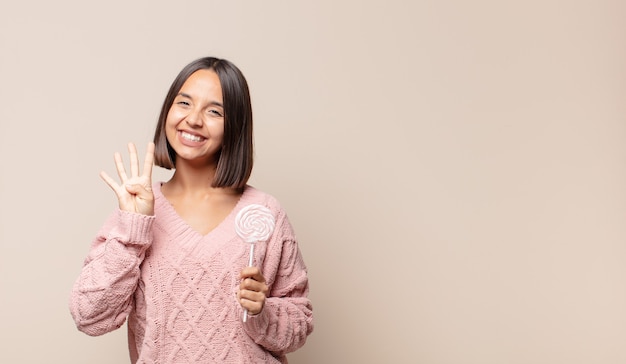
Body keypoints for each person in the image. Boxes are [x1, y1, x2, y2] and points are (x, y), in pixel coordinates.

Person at [69, 57, 314, 363]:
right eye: (184, 103)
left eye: (214, 111)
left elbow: (299, 324)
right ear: (168, 111)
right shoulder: (138, 212)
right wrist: (134, 230)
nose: (194, 119)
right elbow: (88, 315)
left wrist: (261, 311)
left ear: (234, 126)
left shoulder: (266, 212)